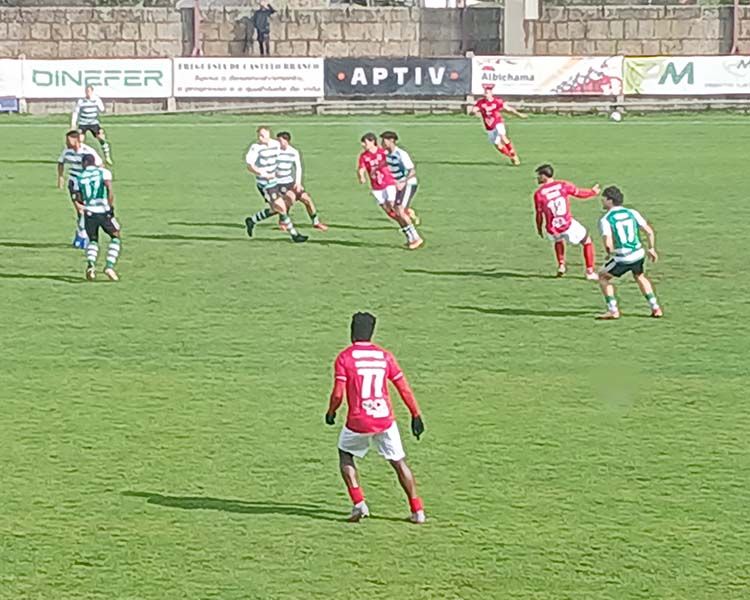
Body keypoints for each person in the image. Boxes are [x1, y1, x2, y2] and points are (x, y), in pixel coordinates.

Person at [326, 312, 426, 524]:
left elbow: (337, 393)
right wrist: (415, 414)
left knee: (345, 454)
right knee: (398, 462)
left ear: (352, 331)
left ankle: (359, 503)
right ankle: (417, 511)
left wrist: (331, 412)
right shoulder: (385, 356)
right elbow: (403, 388)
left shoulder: (345, 357)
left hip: (358, 420)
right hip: (384, 419)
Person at [596, 186, 663, 320]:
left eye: (603, 199)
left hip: (623, 257)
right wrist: (651, 248)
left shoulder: (606, 219)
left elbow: (608, 243)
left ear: (609, 200)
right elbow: (649, 231)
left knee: (603, 277)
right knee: (640, 276)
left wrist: (609, 254)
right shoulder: (632, 212)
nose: (602, 201)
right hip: (638, 254)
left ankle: (613, 310)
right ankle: (655, 307)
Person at [533, 164, 600, 280]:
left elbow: (539, 214)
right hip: (566, 224)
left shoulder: (539, 193)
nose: (537, 178)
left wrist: (539, 228)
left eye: (539, 176)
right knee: (587, 241)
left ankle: (561, 265)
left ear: (544, 176)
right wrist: (592, 192)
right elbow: (579, 193)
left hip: (552, 226)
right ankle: (590, 272)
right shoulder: (562, 185)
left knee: (558, 241)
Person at [357, 133, 423, 250]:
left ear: (373, 142)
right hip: (376, 187)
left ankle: (416, 237)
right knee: (390, 212)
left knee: (396, 208)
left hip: (389, 183)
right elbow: (361, 168)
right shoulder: (364, 156)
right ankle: (409, 236)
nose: (363, 145)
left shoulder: (384, 152)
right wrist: (362, 176)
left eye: (365, 142)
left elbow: (395, 164)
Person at [244, 126, 308, 243]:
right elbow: (249, 166)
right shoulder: (255, 148)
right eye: (259, 136)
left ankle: (252, 220)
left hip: (275, 182)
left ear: (269, 135)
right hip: (265, 184)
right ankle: (294, 235)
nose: (261, 138)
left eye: (263, 135)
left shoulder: (275, 144)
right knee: (281, 207)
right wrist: (262, 173)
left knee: (276, 208)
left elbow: (286, 151)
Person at [73, 154, 122, 281]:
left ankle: (91, 265)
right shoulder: (104, 172)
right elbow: (109, 190)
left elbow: (78, 198)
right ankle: (109, 266)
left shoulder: (79, 177)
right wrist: (111, 208)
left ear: (84, 164)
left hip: (89, 212)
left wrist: (81, 207)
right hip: (103, 210)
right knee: (115, 236)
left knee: (93, 240)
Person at [57, 129, 103, 249]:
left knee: (85, 211)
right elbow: (60, 162)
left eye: (69, 140)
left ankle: (82, 235)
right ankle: (82, 235)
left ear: (77, 139)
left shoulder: (88, 152)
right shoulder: (67, 152)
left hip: (86, 184)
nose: (66, 142)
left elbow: (100, 164)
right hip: (74, 183)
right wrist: (61, 177)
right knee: (81, 210)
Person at [275, 131, 328, 231]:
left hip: (291, 182)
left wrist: (298, 183)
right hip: (280, 182)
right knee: (289, 200)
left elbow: (298, 168)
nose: (278, 142)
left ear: (286, 141)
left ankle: (316, 222)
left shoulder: (293, 152)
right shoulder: (274, 152)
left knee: (307, 199)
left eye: (280, 140)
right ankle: (282, 221)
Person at [472, 85, 526, 166]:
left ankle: (514, 154)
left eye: (487, 93)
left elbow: (508, 109)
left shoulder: (497, 101)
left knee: (503, 137)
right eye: (485, 93)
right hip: (489, 126)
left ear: (491, 93)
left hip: (498, 122)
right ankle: (511, 156)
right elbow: (474, 110)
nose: (486, 94)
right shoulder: (481, 103)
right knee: (498, 145)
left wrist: (518, 114)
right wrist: (473, 112)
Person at [381, 130, 421, 227]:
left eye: (384, 140)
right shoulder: (386, 154)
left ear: (391, 141)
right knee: (392, 206)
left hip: (408, 184)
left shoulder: (401, 154)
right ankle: (409, 213)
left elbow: (412, 171)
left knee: (400, 209)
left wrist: (403, 182)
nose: (382, 143)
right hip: (396, 184)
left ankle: (413, 235)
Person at [71, 86, 112, 165]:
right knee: (80, 141)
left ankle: (107, 157)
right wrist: (73, 124)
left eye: (89, 91)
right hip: (83, 123)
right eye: (86, 91)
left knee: (102, 139)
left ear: (92, 91)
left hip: (93, 123)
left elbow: (102, 109)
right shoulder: (81, 101)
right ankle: (78, 158)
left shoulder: (96, 99)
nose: (87, 93)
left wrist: (100, 104)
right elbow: (76, 112)